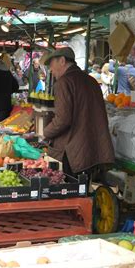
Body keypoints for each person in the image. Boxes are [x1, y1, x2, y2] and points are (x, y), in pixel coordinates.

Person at [42, 47, 114, 176]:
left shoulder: (63, 82)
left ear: (62, 61)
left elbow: (63, 119)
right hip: (93, 148)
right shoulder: (91, 81)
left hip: (73, 152)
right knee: (84, 190)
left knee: (70, 191)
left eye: (52, 66)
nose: (51, 71)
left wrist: (45, 133)